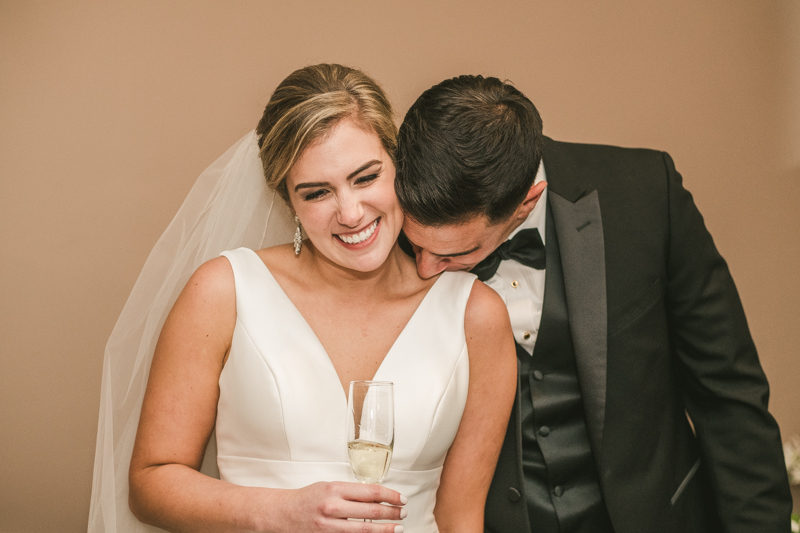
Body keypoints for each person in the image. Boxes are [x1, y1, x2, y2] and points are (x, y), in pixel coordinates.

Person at [88, 64, 517, 533]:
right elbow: (150, 484)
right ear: (286, 201)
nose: (351, 213)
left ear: (399, 166)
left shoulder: (475, 314)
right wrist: (277, 511)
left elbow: (461, 517)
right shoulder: (224, 291)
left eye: (366, 177)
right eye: (316, 193)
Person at [394, 75, 792, 533]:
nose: (424, 269)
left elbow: (729, 395)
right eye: (416, 246)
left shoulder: (645, 195)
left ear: (527, 201)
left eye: (453, 254)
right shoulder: (385, 229)